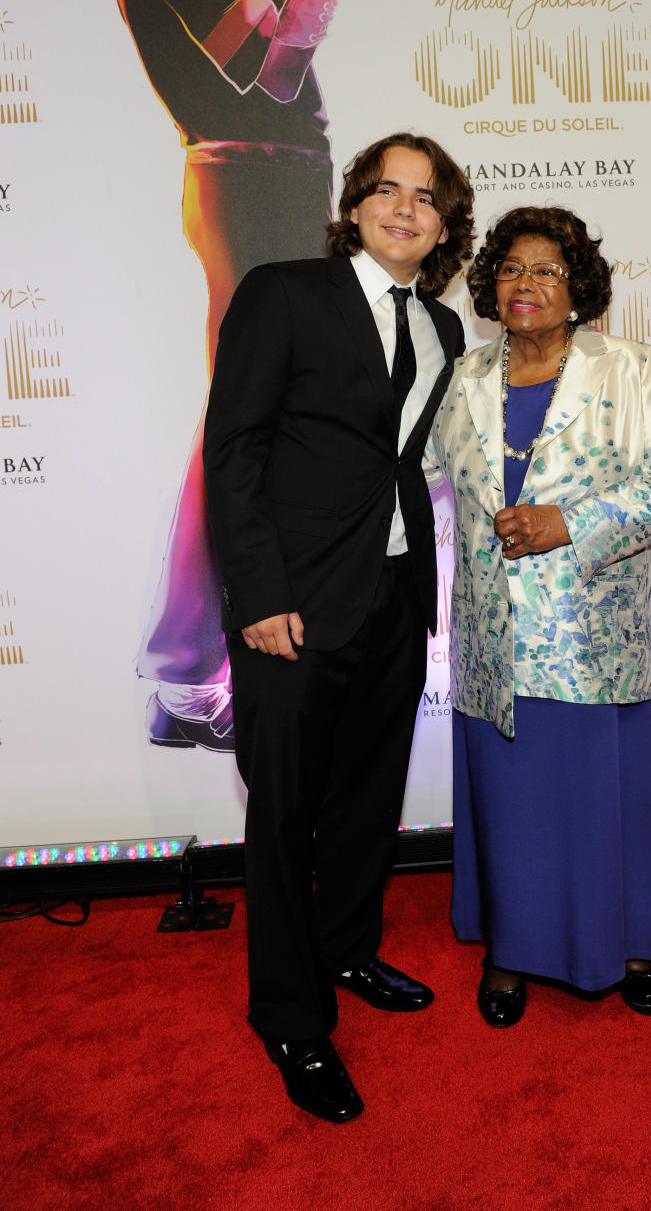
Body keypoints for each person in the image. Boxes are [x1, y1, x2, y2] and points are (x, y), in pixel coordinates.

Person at [202, 133, 474, 1121]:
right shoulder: (283, 293)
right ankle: (288, 1013)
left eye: (428, 197)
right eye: (388, 191)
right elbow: (234, 450)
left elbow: (398, 462)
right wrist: (261, 592)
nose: (406, 209)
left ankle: (348, 949)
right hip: (294, 603)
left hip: (396, 597)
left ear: (447, 225)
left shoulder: (444, 325)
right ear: (356, 206)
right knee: (282, 810)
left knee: (368, 792)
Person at [111, 0, 363, 750]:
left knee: (244, 424)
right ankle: (186, 672)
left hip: (262, 188)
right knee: (241, 429)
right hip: (250, 192)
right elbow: (272, 67)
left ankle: (191, 667)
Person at [429, 206, 651, 1026]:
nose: (526, 284)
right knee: (512, 803)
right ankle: (512, 951)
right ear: (489, 284)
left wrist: (568, 522)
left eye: (547, 270)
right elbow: (419, 473)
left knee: (601, 799)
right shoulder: (463, 376)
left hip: (595, 632)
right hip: (494, 637)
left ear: (578, 288)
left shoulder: (629, 367)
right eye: (510, 268)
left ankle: (632, 946)